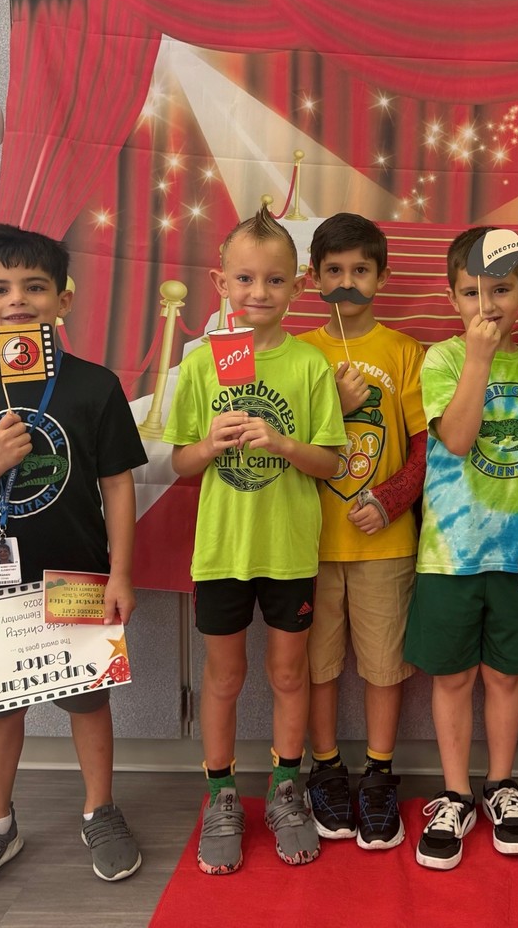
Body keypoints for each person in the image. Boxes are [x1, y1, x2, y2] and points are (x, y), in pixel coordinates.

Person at [0, 223, 148, 903]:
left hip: (79, 575)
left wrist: (122, 574)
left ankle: (99, 809)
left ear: (63, 300)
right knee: (0, 710)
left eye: (34, 286)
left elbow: (118, 484)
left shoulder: (94, 385)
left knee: (88, 700)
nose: (16, 299)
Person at [163, 206, 346, 873]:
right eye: (244, 278)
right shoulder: (206, 363)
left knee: (289, 672)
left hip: (291, 550)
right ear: (220, 282)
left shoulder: (308, 365)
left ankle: (286, 785)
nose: (258, 292)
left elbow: (331, 462)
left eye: (273, 280)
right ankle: (219, 794)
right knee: (224, 674)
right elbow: (180, 461)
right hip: (221, 552)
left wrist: (285, 442)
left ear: (297, 286)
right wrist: (209, 444)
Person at [404, 226, 518, 870]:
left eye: (500, 290)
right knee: (453, 676)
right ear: (451, 298)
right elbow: (461, 437)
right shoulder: (439, 361)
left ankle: (501, 785)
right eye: (471, 292)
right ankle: (455, 793)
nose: (486, 304)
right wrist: (474, 358)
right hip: (449, 555)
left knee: (504, 674)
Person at [297, 213, 427, 850]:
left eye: (360, 270)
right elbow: (284, 443)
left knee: (383, 667)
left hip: (385, 541)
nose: (347, 282)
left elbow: (428, 446)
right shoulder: (297, 354)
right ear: (313, 278)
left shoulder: (404, 354)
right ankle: (324, 769)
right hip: (309, 544)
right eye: (334, 271)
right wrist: (334, 407)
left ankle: (378, 776)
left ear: (382, 276)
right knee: (318, 666)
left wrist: (394, 499)